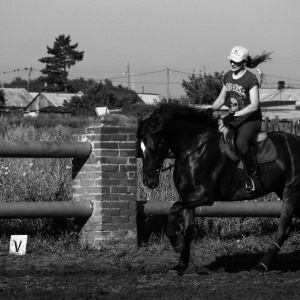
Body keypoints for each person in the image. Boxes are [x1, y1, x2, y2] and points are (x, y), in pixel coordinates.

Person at [210, 46, 272, 193]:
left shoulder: (250, 79)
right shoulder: (227, 76)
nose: (232, 63)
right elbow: (220, 99)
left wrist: (234, 115)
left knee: (241, 143)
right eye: (231, 60)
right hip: (235, 118)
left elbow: (254, 105)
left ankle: (254, 178)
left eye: (236, 61)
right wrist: (209, 109)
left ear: (244, 62)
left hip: (251, 120)